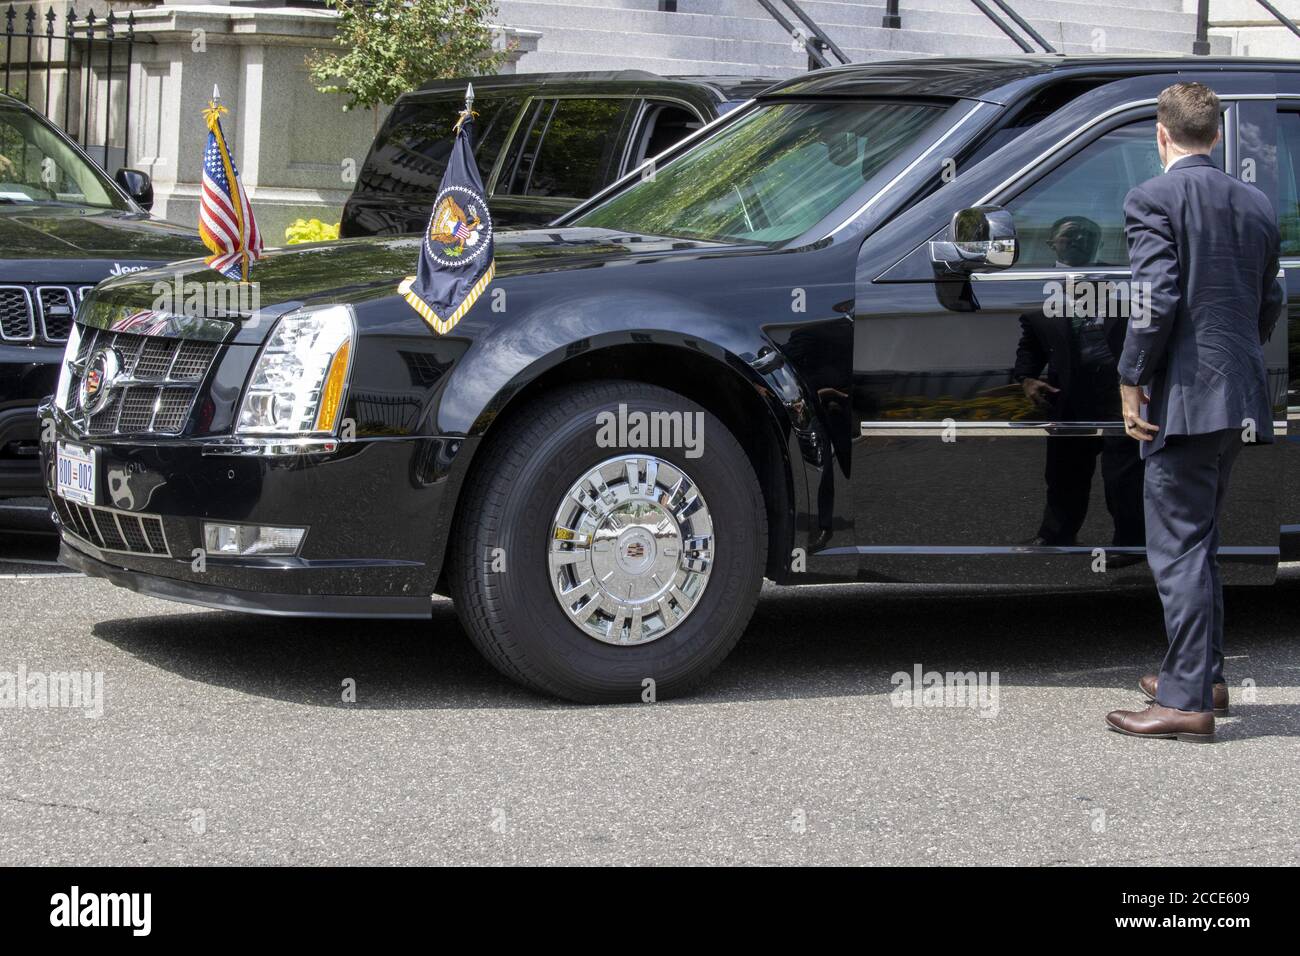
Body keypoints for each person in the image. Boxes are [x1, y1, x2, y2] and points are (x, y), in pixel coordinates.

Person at [1106, 82, 1283, 742]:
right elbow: (1271, 299)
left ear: (1161, 135)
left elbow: (1155, 298)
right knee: (1199, 541)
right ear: (1216, 136)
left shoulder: (1153, 197)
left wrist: (1132, 378)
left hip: (1182, 399)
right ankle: (1200, 676)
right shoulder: (1256, 202)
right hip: (1236, 393)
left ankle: (1186, 703)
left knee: (1178, 548)